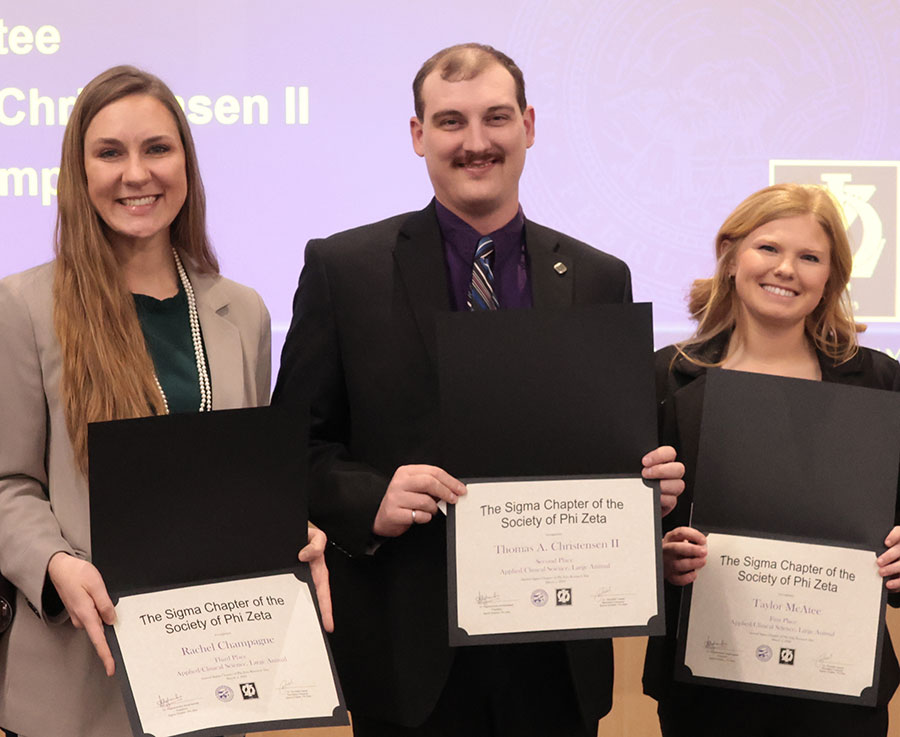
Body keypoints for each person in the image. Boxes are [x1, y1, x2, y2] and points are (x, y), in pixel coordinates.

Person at [273, 43, 684, 736]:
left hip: (557, 651)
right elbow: (290, 450)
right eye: (451, 121)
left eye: (496, 118)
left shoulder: (598, 277)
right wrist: (370, 496)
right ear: (418, 134)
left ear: (528, 125)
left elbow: (614, 450)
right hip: (410, 660)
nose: (476, 142)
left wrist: (650, 486)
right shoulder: (343, 269)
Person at [0, 65, 331, 737]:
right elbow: (8, 483)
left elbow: (244, 476)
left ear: (186, 160)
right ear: (79, 171)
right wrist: (56, 563)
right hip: (79, 684)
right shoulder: (25, 308)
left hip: (212, 672)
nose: (137, 173)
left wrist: (289, 530)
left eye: (157, 148)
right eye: (110, 152)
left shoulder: (244, 311)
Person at [642, 182, 900, 736]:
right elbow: (619, 531)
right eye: (769, 249)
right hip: (705, 693)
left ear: (831, 277)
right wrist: (657, 563)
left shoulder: (880, 382)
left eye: (810, 257)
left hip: (838, 692)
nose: (787, 269)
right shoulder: (666, 378)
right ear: (731, 257)